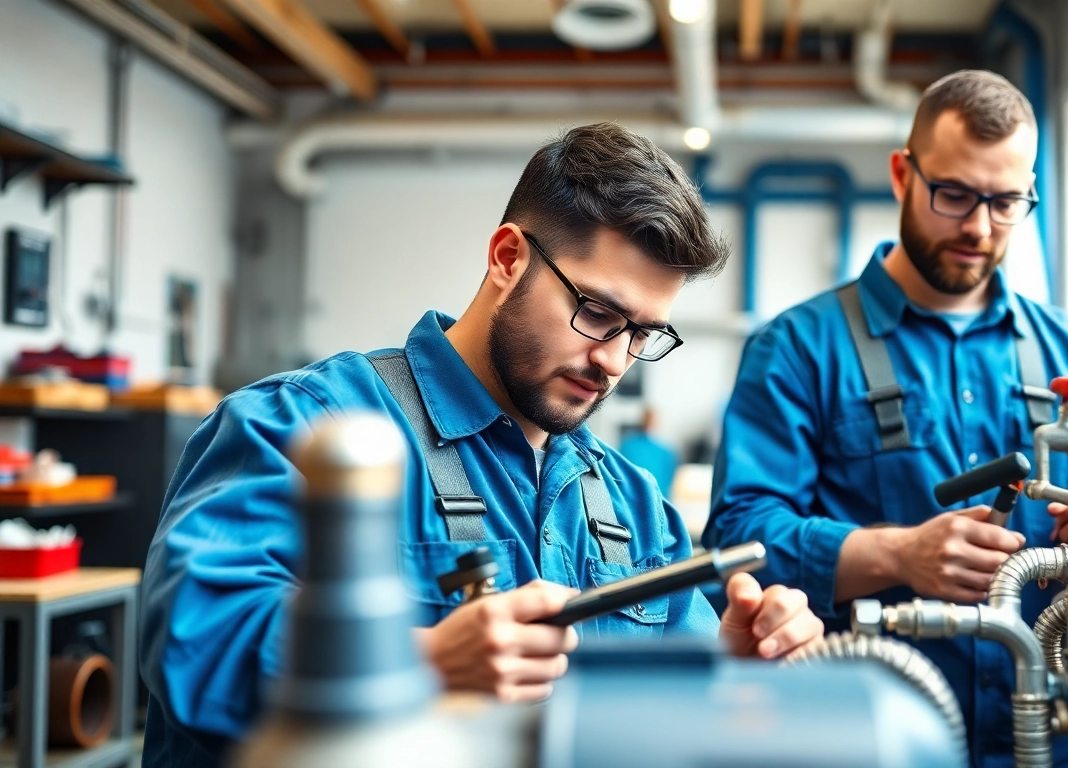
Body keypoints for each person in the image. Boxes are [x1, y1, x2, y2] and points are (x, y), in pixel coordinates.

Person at [141, 122, 825, 768]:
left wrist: (726, 673)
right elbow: (195, 640)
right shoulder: (302, 428)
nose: (615, 361)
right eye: (597, 313)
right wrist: (422, 661)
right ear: (507, 259)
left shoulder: (632, 505)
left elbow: (657, 722)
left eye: (642, 334)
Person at [703, 71, 1068, 768]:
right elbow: (739, 538)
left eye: (1006, 202)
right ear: (902, 175)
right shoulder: (796, 350)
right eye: (955, 195)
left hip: (1059, 741)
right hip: (866, 743)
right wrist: (898, 555)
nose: (978, 227)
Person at [619, 406, 679, 495]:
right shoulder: (628, 446)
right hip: (635, 494)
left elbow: (669, 478)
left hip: (654, 495)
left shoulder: (665, 451)